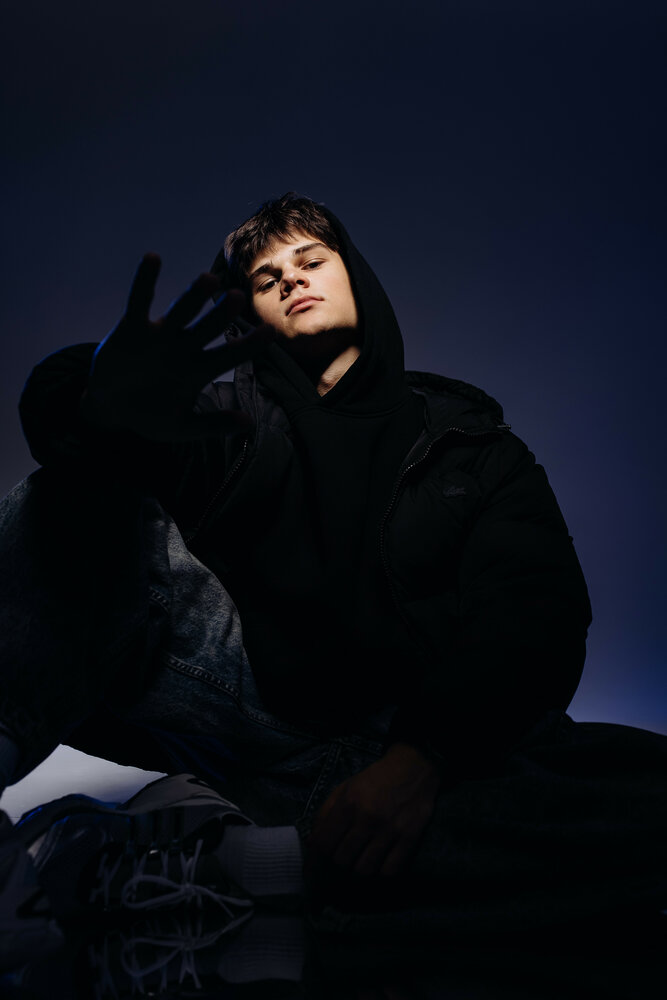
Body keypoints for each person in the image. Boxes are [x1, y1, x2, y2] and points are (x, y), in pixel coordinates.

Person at [0, 194, 665, 982]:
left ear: (357, 276)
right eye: (264, 278)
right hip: (245, 704)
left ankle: (219, 865)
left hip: (402, 742)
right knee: (74, 497)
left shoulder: (473, 446)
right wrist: (97, 404)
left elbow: (536, 611)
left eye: (309, 260)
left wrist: (420, 760)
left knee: (639, 808)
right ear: (248, 315)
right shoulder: (224, 420)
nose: (290, 280)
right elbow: (90, 446)